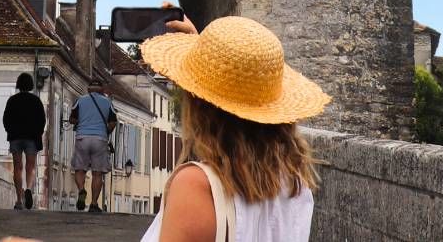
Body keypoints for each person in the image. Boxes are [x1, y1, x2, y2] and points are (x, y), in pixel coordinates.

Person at [134, 14, 329, 242]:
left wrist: (201, 70)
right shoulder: (295, 186)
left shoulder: (195, 186)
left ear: (199, 106)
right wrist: (203, 53)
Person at [67, 76, 117, 212]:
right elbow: (113, 122)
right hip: (100, 139)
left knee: (79, 169)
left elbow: (72, 119)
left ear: (88, 89)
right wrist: (107, 131)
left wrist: (79, 122)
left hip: (82, 138)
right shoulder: (107, 102)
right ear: (102, 90)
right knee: (97, 173)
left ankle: (81, 190)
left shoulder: (80, 101)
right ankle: (94, 203)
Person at [1, 71, 45, 211]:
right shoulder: (36, 101)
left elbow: (6, 119)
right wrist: (37, 133)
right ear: (31, 85)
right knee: (30, 167)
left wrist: (10, 131)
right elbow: (42, 120)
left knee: (17, 167)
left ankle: (19, 200)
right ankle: (29, 189)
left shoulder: (12, 100)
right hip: (32, 137)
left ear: (18, 84)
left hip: (16, 137)